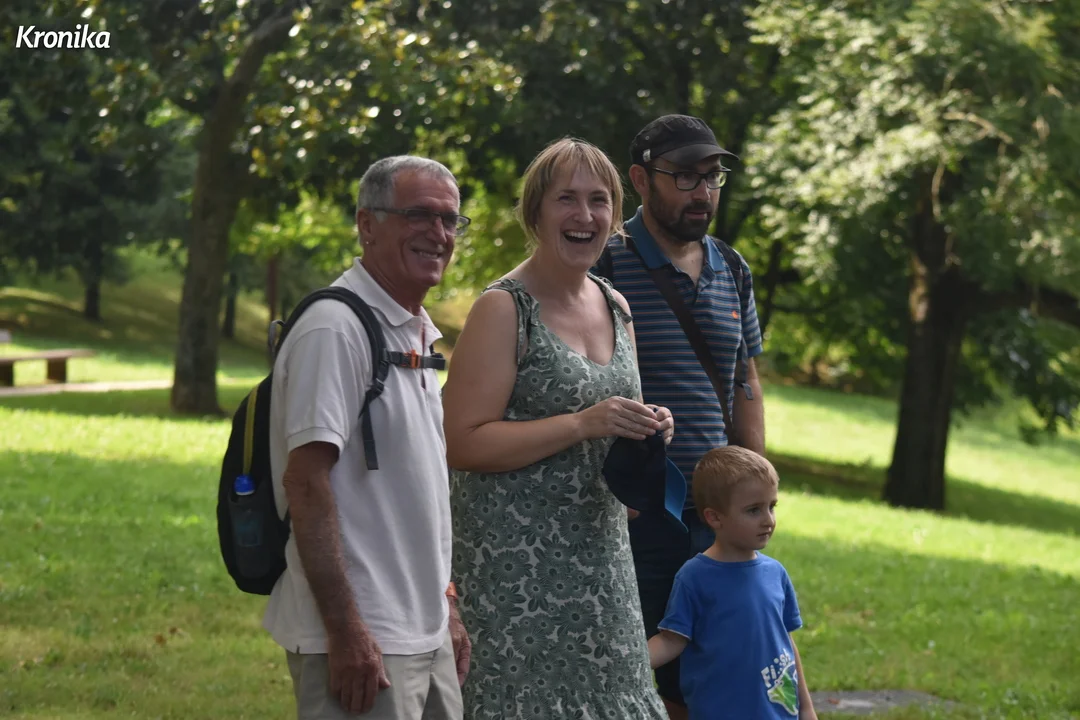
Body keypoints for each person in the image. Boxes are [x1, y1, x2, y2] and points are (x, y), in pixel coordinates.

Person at [442, 137, 673, 719]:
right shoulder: (504, 308)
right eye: (566, 199)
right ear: (536, 212)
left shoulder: (617, 305)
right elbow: (460, 442)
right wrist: (580, 424)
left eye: (599, 200)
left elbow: (611, 429)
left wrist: (647, 430)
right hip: (512, 571)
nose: (584, 215)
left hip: (601, 561)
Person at [264, 156, 471, 719]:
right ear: (367, 224)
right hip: (364, 644)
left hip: (423, 632)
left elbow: (416, 495)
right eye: (419, 215)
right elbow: (305, 485)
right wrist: (346, 631)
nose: (439, 233)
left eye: (450, 219)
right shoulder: (334, 330)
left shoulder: (413, 330)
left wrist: (446, 605)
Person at [594, 114, 767, 719]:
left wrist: (753, 488)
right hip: (640, 513)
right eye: (685, 177)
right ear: (641, 180)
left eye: (712, 177)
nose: (703, 193)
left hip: (715, 514)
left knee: (715, 669)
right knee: (643, 673)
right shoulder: (606, 265)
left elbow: (745, 379)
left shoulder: (732, 268)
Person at [648, 446, 817, 720]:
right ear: (714, 517)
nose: (768, 520)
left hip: (776, 712)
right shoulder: (695, 576)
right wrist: (626, 663)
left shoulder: (775, 573)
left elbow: (785, 641)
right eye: (754, 510)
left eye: (772, 507)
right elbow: (671, 640)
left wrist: (806, 709)